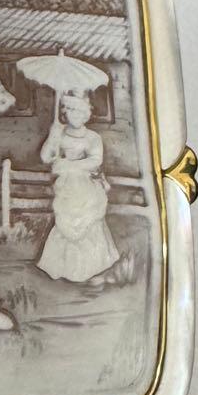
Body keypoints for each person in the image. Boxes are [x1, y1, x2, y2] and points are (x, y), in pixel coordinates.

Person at [36, 93, 120, 282]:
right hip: (66, 186)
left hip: (86, 185)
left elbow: (96, 160)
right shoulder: (59, 133)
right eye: (71, 110)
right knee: (66, 220)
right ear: (65, 112)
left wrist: (68, 165)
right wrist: (52, 136)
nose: (75, 115)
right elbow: (45, 158)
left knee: (87, 220)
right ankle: (63, 267)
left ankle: (93, 266)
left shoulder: (92, 137)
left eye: (79, 111)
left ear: (86, 114)